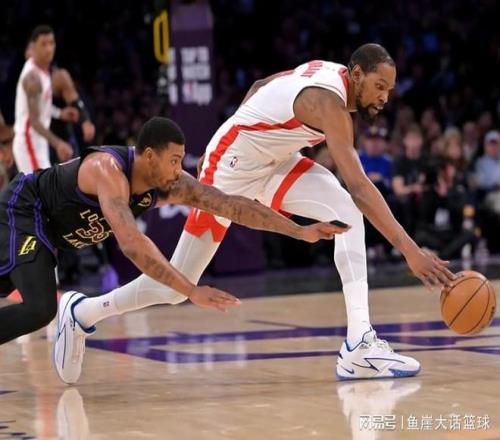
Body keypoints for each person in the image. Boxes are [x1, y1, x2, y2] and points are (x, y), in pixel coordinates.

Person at [56, 44, 455, 384]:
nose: (385, 97)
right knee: (176, 288)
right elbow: (361, 186)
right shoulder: (330, 104)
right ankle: (82, 311)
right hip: (229, 169)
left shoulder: (327, 75)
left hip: (272, 162)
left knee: (345, 212)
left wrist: (246, 128)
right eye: (379, 86)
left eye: (389, 89)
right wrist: (411, 251)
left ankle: (359, 345)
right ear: (356, 74)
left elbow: (262, 85)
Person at [0, 116, 346, 378]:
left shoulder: (172, 184)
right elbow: (132, 245)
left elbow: (230, 205)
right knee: (41, 307)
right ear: (150, 156)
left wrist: (298, 231)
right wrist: (190, 290)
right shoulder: (107, 170)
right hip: (25, 211)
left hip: (47, 234)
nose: (179, 170)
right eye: (174, 160)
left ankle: (77, 313)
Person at [12, 25, 76, 174]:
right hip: (29, 141)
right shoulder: (32, 78)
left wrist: (59, 113)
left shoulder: (43, 68)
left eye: (51, 43)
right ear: (34, 47)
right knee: (42, 188)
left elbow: (41, 105)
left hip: (38, 140)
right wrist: (58, 143)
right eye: (43, 44)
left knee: (45, 186)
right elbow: (34, 121)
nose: (49, 49)